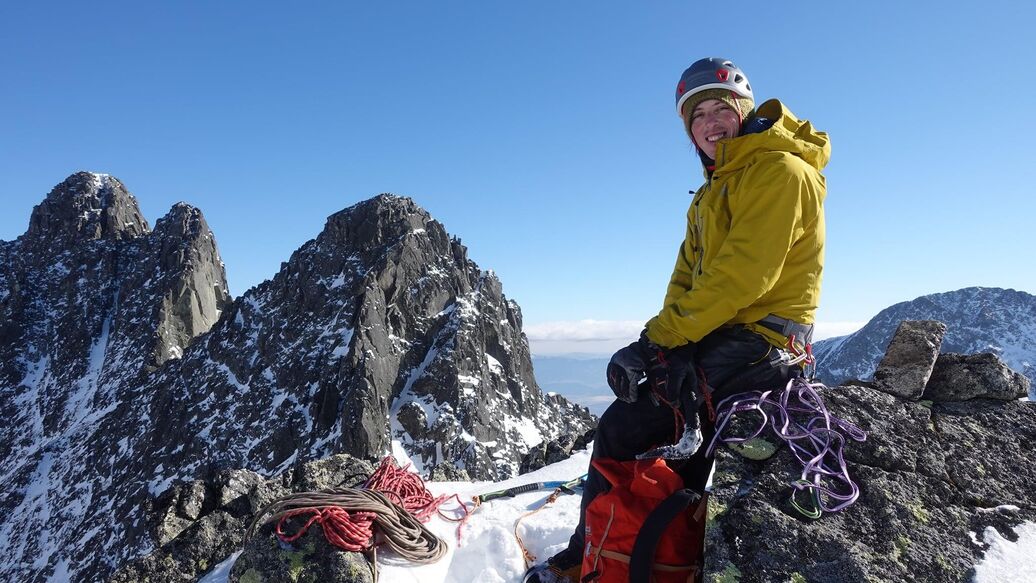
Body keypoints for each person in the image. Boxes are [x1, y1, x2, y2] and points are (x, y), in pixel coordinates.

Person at [524, 57, 830, 583]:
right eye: (698, 115)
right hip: (722, 331)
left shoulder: (781, 171)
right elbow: (686, 279)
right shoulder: (712, 193)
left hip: (763, 339)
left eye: (721, 109)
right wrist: (657, 344)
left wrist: (665, 339)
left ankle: (599, 559)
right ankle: (626, 552)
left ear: (743, 111)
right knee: (643, 415)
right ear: (689, 128)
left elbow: (743, 277)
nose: (711, 123)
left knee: (630, 426)